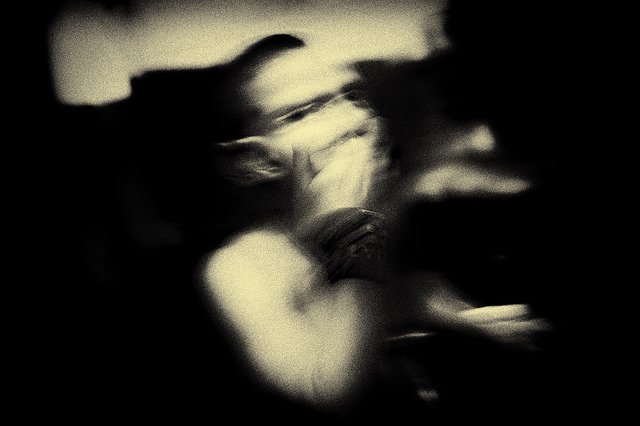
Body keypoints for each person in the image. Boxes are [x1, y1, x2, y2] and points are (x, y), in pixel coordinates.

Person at [198, 34, 549, 412]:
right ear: (253, 160)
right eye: (300, 113)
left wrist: (471, 319)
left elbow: (405, 293)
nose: (352, 123)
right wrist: (351, 233)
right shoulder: (240, 266)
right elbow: (324, 394)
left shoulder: (387, 212)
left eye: (353, 97)